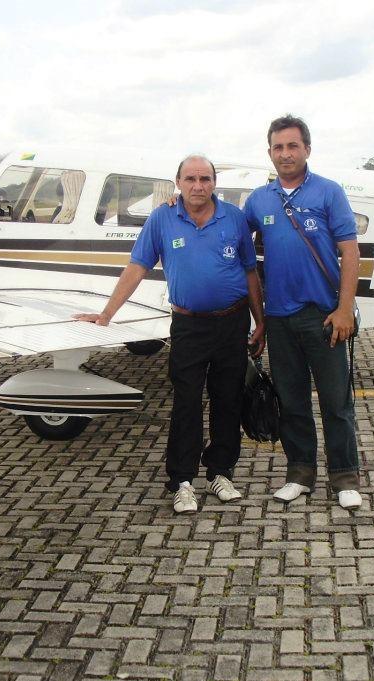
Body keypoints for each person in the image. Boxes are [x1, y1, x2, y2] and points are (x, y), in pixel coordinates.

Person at [75, 155, 265, 514]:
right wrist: (107, 313)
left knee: (228, 400)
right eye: (190, 179)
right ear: (177, 182)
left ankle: (220, 472)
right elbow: (137, 267)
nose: (198, 186)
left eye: (205, 179)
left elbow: (249, 271)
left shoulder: (234, 218)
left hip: (233, 322)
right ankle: (182, 481)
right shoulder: (162, 218)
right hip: (189, 326)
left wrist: (261, 322)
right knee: (186, 402)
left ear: (214, 183)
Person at [243, 115, 363, 509]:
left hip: (324, 316)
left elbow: (350, 253)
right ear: (270, 153)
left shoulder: (329, 192)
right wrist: (180, 201)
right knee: (291, 402)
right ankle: (300, 474)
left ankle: (344, 476)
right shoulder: (259, 200)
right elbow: (229, 231)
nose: (285, 153)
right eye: (278, 147)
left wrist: (344, 310)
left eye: (293, 146)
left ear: (307, 149)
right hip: (279, 318)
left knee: (335, 402)